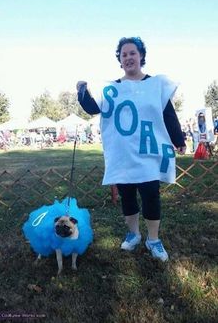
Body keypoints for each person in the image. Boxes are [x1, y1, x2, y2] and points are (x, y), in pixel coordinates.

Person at [76, 36, 186, 262]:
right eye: (123, 54)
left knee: (151, 196)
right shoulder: (112, 89)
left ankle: (153, 239)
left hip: (148, 153)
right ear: (119, 59)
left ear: (141, 56)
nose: (128, 57)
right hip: (123, 154)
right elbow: (92, 108)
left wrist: (178, 138)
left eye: (132, 53)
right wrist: (82, 92)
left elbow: (167, 113)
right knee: (127, 196)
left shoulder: (156, 85)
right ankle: (134, 234)